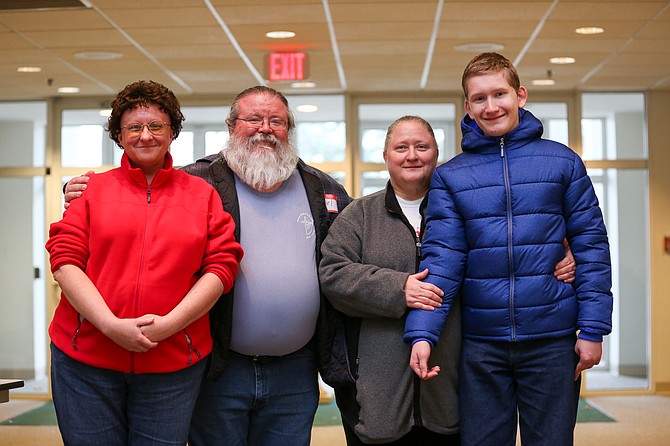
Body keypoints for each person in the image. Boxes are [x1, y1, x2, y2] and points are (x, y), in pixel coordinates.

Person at [64, 85, 352, 446]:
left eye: (276, 121)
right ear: (232, 127)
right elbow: (142, 190)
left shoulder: (323, 188)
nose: (265, 128)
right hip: (220, 365)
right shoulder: (198, 180)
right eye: (253, 119)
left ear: (289, 129)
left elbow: (354, 249)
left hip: (295, 368)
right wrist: (74, 191)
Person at [320, 116, 576, 446]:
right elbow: (333, 274)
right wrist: (399, 288)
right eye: (401, 147)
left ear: (436, 155)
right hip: (378, 391)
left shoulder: (467, 206)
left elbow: (509, 251)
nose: (411, 155)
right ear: (386, 156)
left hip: (452, 386)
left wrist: (565, 255)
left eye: (421, 147)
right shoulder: (359, 215)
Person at [404, 52, 613, 446]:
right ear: (467, 106)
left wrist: (594, 327)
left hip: (553, 340)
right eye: (479, 98)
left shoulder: (563, 162)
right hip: (482, 345)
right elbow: (443, 262)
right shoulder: (451, 176)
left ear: (520, 95)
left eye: (499, 93)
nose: (490, 106)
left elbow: (591, 247)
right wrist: (423, 334)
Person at [47, 80, 243, 446]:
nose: (145, 135)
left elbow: (221, 266)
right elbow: (64, 259)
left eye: (156, 126)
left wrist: (170, 325)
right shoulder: (92, 191)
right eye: (134, 127)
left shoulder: (202, 195)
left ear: (172, 133)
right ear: (119, 136)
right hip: (85, 360)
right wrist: (109, 325)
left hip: (171, 364)